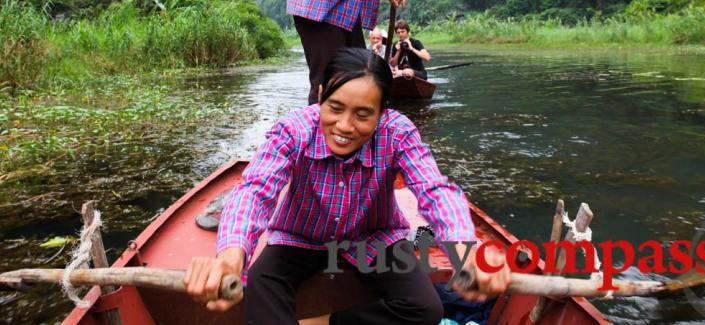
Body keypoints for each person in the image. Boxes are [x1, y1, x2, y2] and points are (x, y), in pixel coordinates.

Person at [184, 48, 510, 324]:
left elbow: (435, 191)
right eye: (335, 108)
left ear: (383, 112)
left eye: (363, 115)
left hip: (373, 238)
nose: (344, 126)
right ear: (322, 94)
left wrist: (465, 252)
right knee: (260, 283)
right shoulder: (293, 130)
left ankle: (333, 321)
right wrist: (229, 260)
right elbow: (255, 191)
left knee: (426, 309)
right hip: (300, 237)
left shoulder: (398, 132)